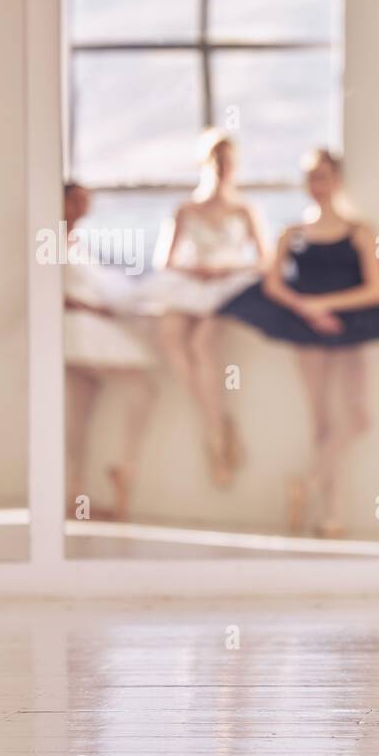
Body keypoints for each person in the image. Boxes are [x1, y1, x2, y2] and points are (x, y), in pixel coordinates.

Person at [219, 148, 379, 537]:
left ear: (338, 179)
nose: (317, 185)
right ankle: (332, 516)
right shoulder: (290, 234)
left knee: (357, 419)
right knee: (322, 423)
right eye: (311, 177)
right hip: (307, 332)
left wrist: (325, 304)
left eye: (324, 176)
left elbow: (376, 289)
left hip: (350, 328)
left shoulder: (361, 231)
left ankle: (306, 484)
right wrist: (306, 309)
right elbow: (274, 284)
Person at [140, 129, 268, 488]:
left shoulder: (245, 209)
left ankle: (216, 439)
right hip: (189, 281)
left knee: (201, 345)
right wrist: (197, 269)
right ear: (206, 164)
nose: (224, 168)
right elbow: (165, 260)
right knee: (170, 336)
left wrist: (225, 269)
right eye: (218, 161)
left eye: (230, 162)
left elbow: (264, 260)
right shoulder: (185, 209)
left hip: (227, 284)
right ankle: (218, 424)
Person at [62, 182, 158, 522]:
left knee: (80, 414)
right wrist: (91, 308)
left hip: (86, 328)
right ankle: (94, 485)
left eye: (86, 200)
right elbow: (50, 290)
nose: (83, 206)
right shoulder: (50, 240)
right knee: (132, 393)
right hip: (73, 331)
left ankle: (79, 496)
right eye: (76, 200)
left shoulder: (79, 243)